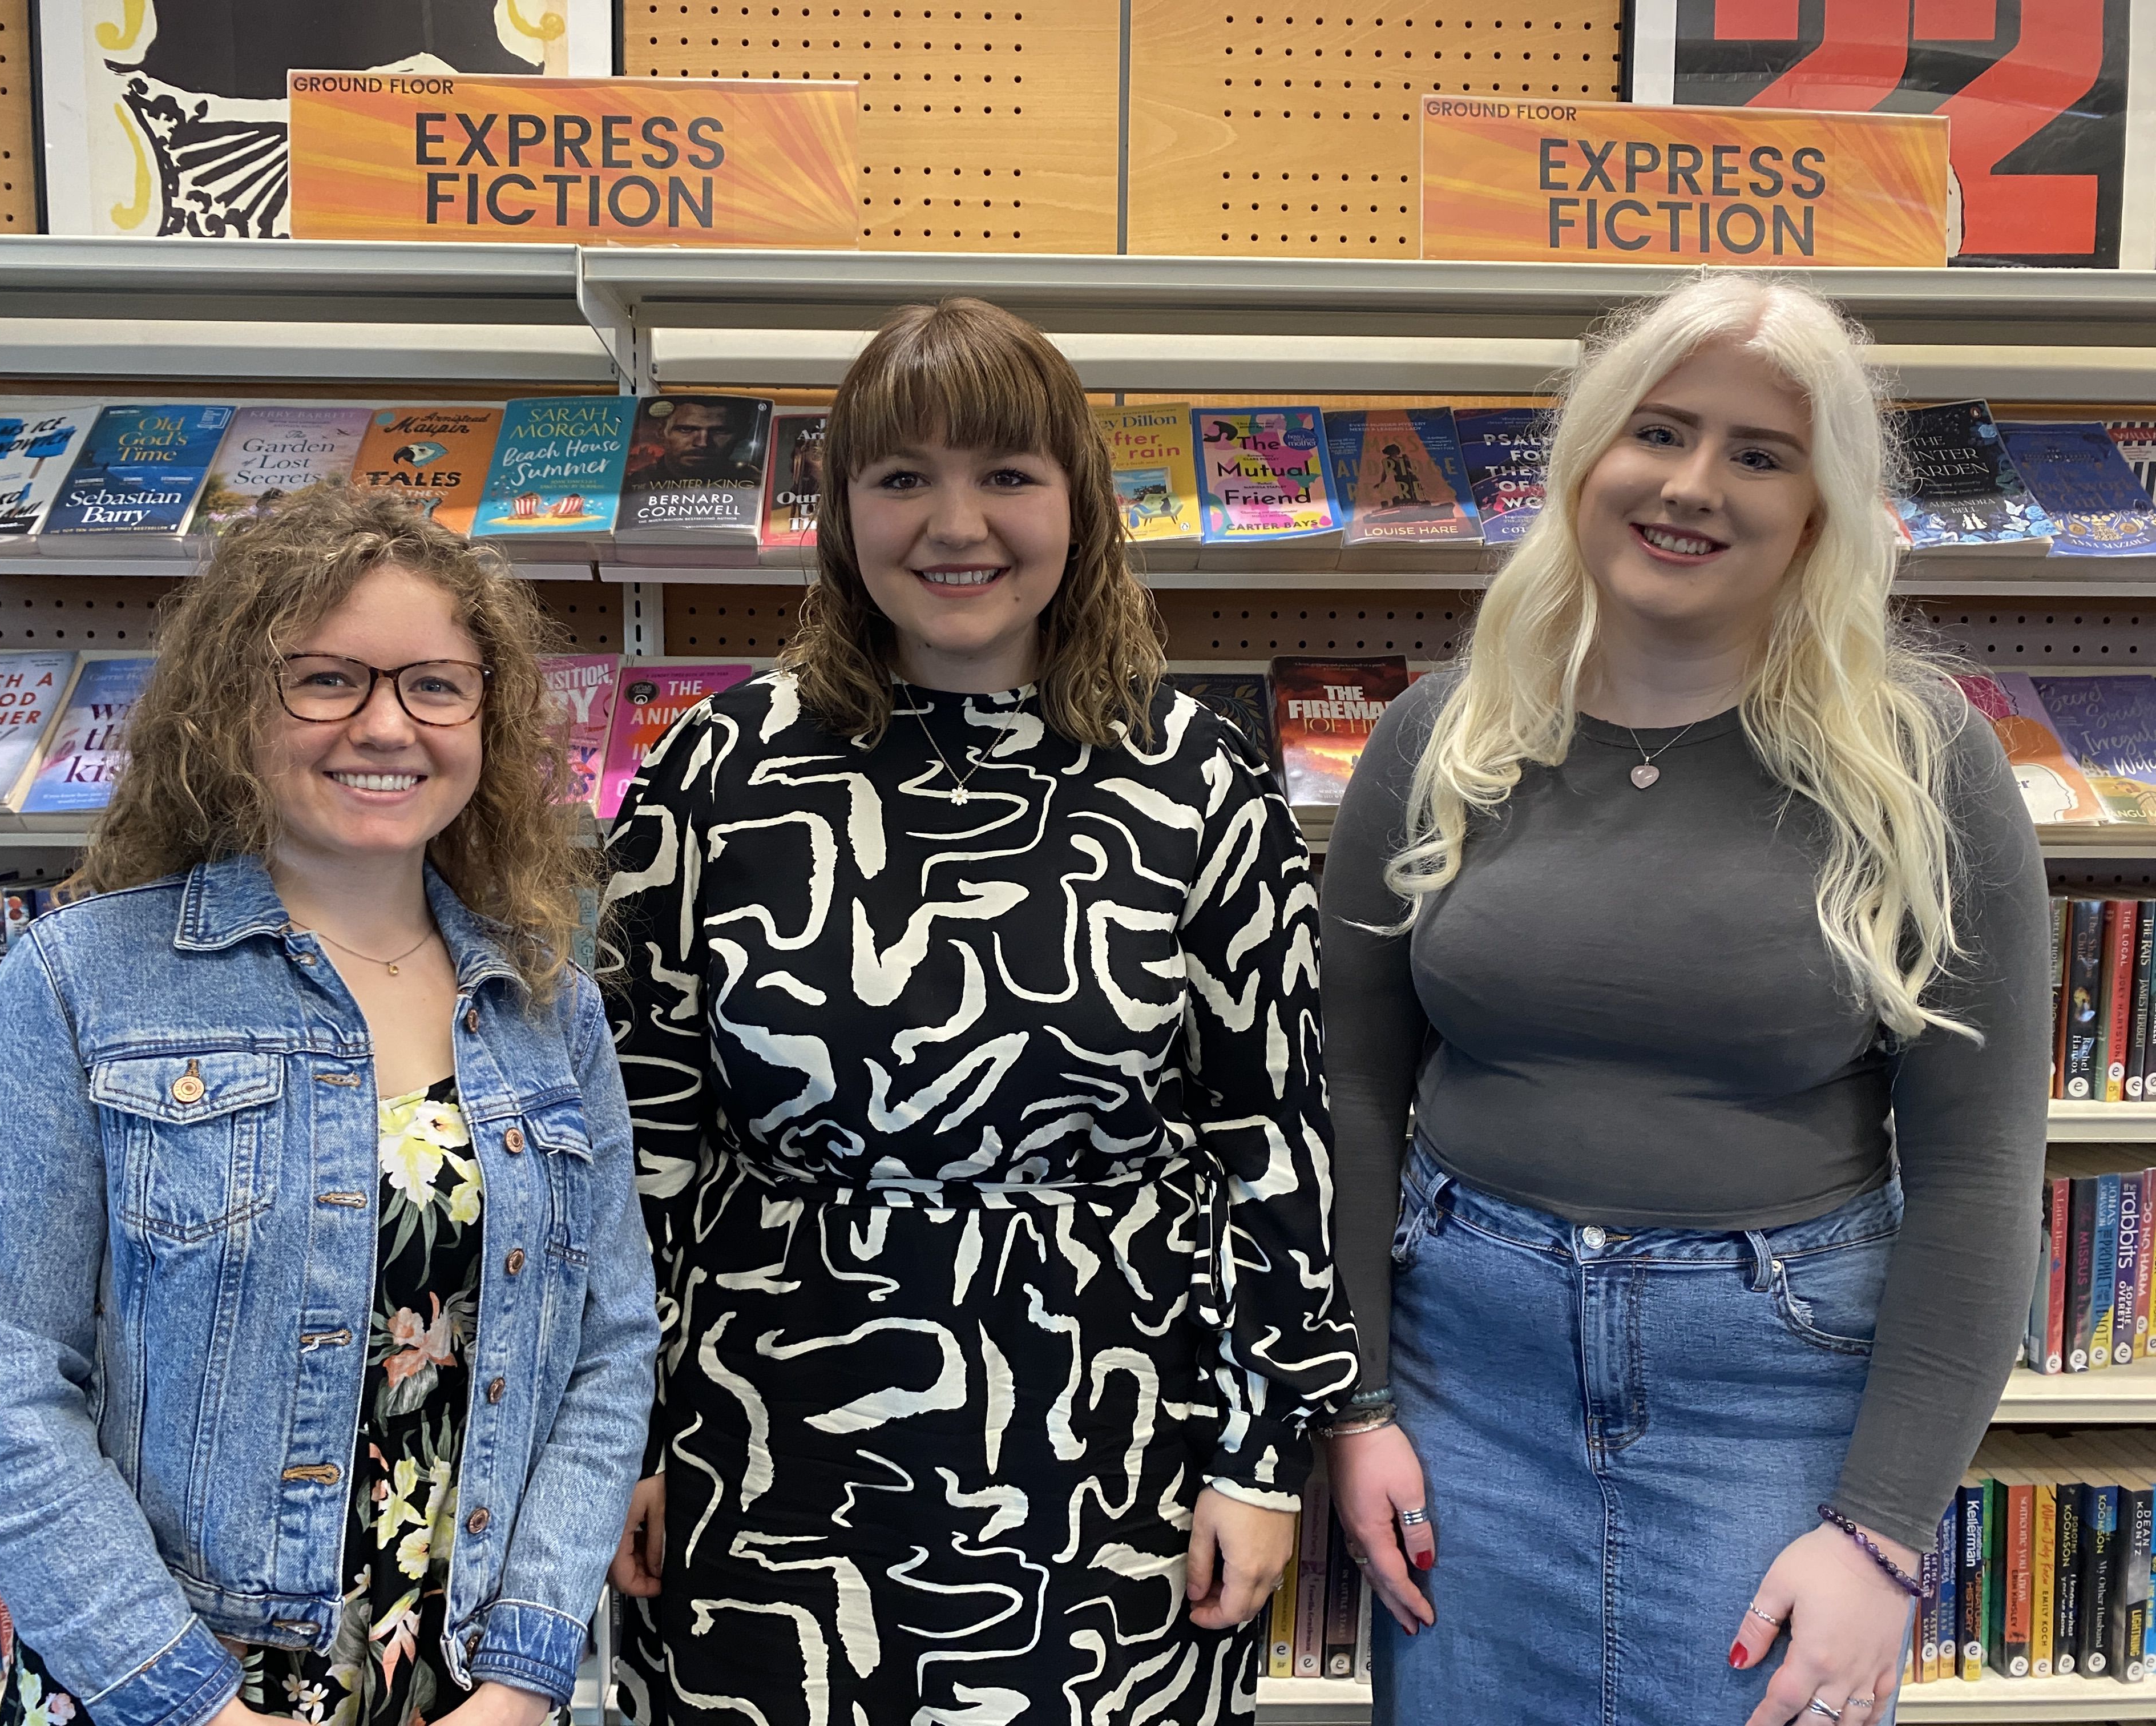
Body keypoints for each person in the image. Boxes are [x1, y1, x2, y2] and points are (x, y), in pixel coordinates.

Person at [598, 296, 1360, 1722]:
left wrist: (1262, 1462)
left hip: (1112, 1431)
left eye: (1008, 475)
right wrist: (621, 1435)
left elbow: (1275, 1146)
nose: (958, 525)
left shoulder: (1197, 781)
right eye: (903, 479)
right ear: (841, 512)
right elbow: (642, 1134)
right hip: (762, 1438)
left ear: (1081, 500)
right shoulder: (716, 774)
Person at [1321, 273, 2048, 1726]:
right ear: (1590, 456)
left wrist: (1881, 1535)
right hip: (1467, 1383)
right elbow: (1348, 1088)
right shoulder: (1441, 734)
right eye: (1659, 432)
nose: (1692, 486)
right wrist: (1360, 1404)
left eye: (1759, 454)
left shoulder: (1926, 767)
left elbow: (1977, 1176)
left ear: (1822, 508)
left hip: (1774, 1396)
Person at [0, 487, 660, 1726]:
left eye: (435, 684)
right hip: (162, 1692)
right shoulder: (77, 983)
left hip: (458, 1689)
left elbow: (606, 1351)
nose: (387, 725)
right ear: (231, 709)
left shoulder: (549, 1007)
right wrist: (192, 1703)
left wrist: (526, 1677)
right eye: (327, 680)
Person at [624, 397, 761, 487]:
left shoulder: (756, 483)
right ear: (662, 432)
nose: (702, 443)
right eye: (686, 429)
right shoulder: (634, 485)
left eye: (720, 431)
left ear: (743, 433)